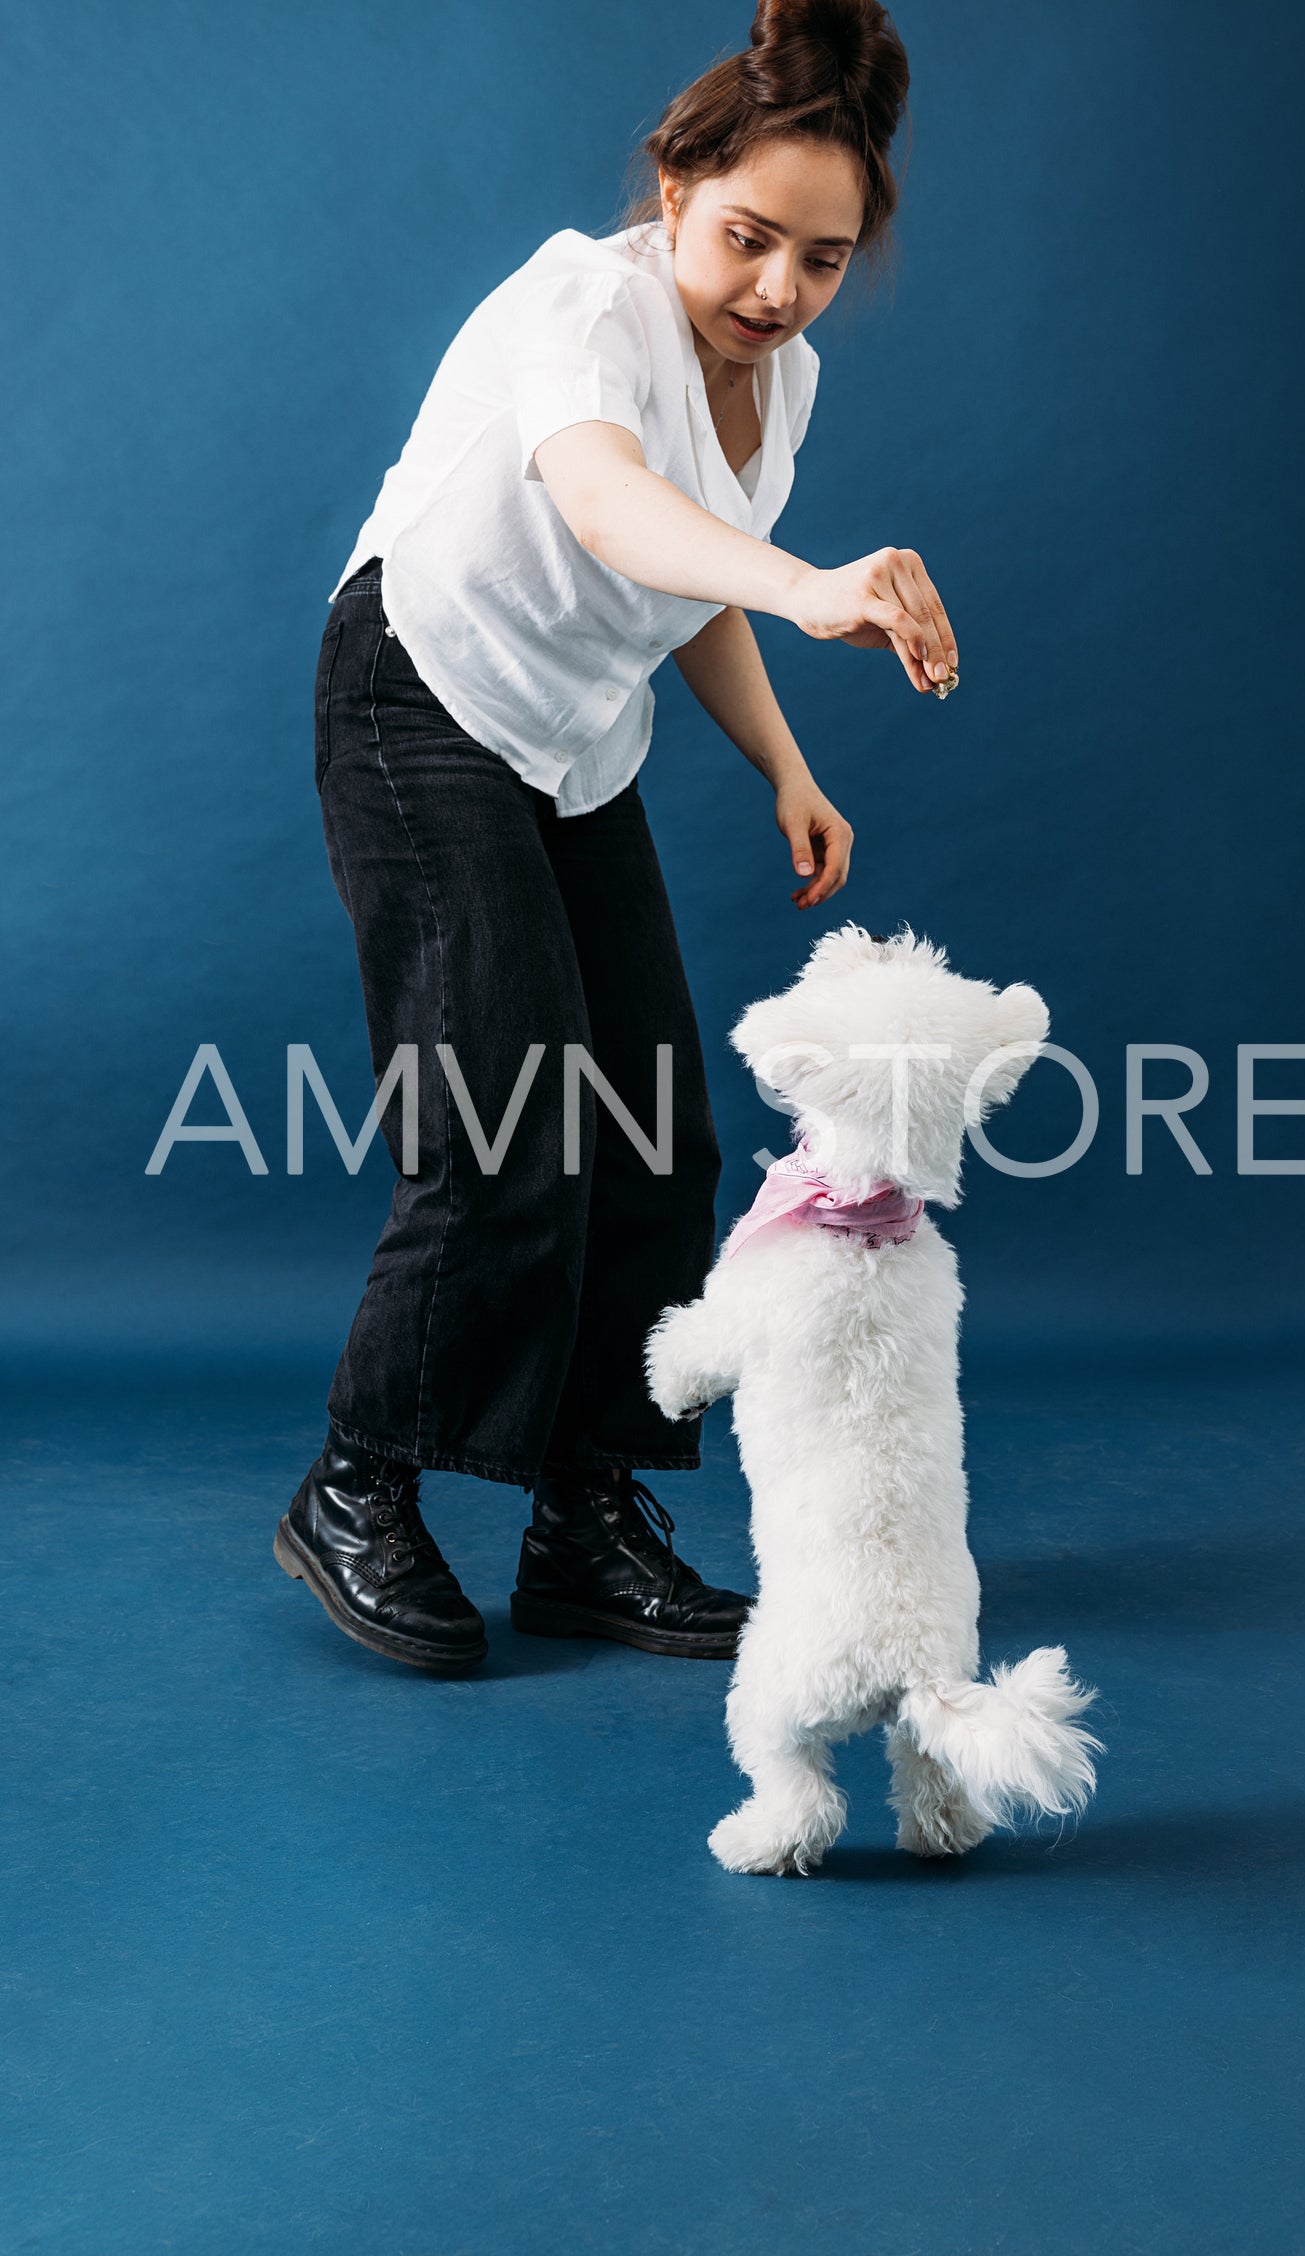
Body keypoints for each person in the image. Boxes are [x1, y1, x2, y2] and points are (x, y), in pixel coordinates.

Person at [274, 0, 959, 1674]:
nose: (777, 290)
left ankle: (587, 1521)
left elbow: (683, 577)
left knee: (659, 1139)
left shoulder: (774, 380)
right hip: (421, 696)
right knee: (508, 1123)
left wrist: (783, 764)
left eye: (819, 257)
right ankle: (356, 1484)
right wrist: (809, 588)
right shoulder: (576, 307)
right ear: (675, 189)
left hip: (572, 741)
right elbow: (602, 502)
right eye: (745, 240)